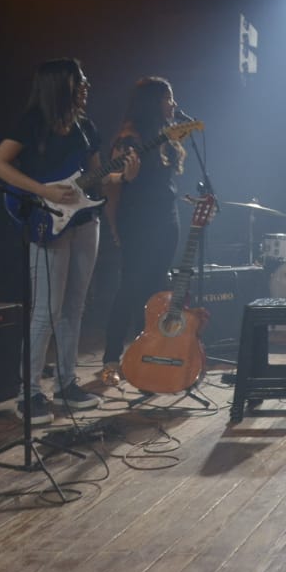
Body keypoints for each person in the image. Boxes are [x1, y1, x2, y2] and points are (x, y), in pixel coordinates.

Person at [0, 58, 134, 423]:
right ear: (60, 85)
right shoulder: (33, 122)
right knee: (45, 311)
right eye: (79, 81)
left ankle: (67, 384)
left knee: (74, 308)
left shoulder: (86, 126)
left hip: (85, 220)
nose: (86, 86)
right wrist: (43, 191)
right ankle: (29, 393)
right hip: (46, 220)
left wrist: (122, 176)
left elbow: (96, 177)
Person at [100, 77, 183, 385]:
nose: (173, 104)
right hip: (138, 221)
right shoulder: (130, 137)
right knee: (130, 287)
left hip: (166, 217)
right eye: (168, 98)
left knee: (157, 289)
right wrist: (113, 225)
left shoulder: (165, 136)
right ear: (152, 102)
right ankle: (111, 358)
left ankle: (146, 354)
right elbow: (108, 181)